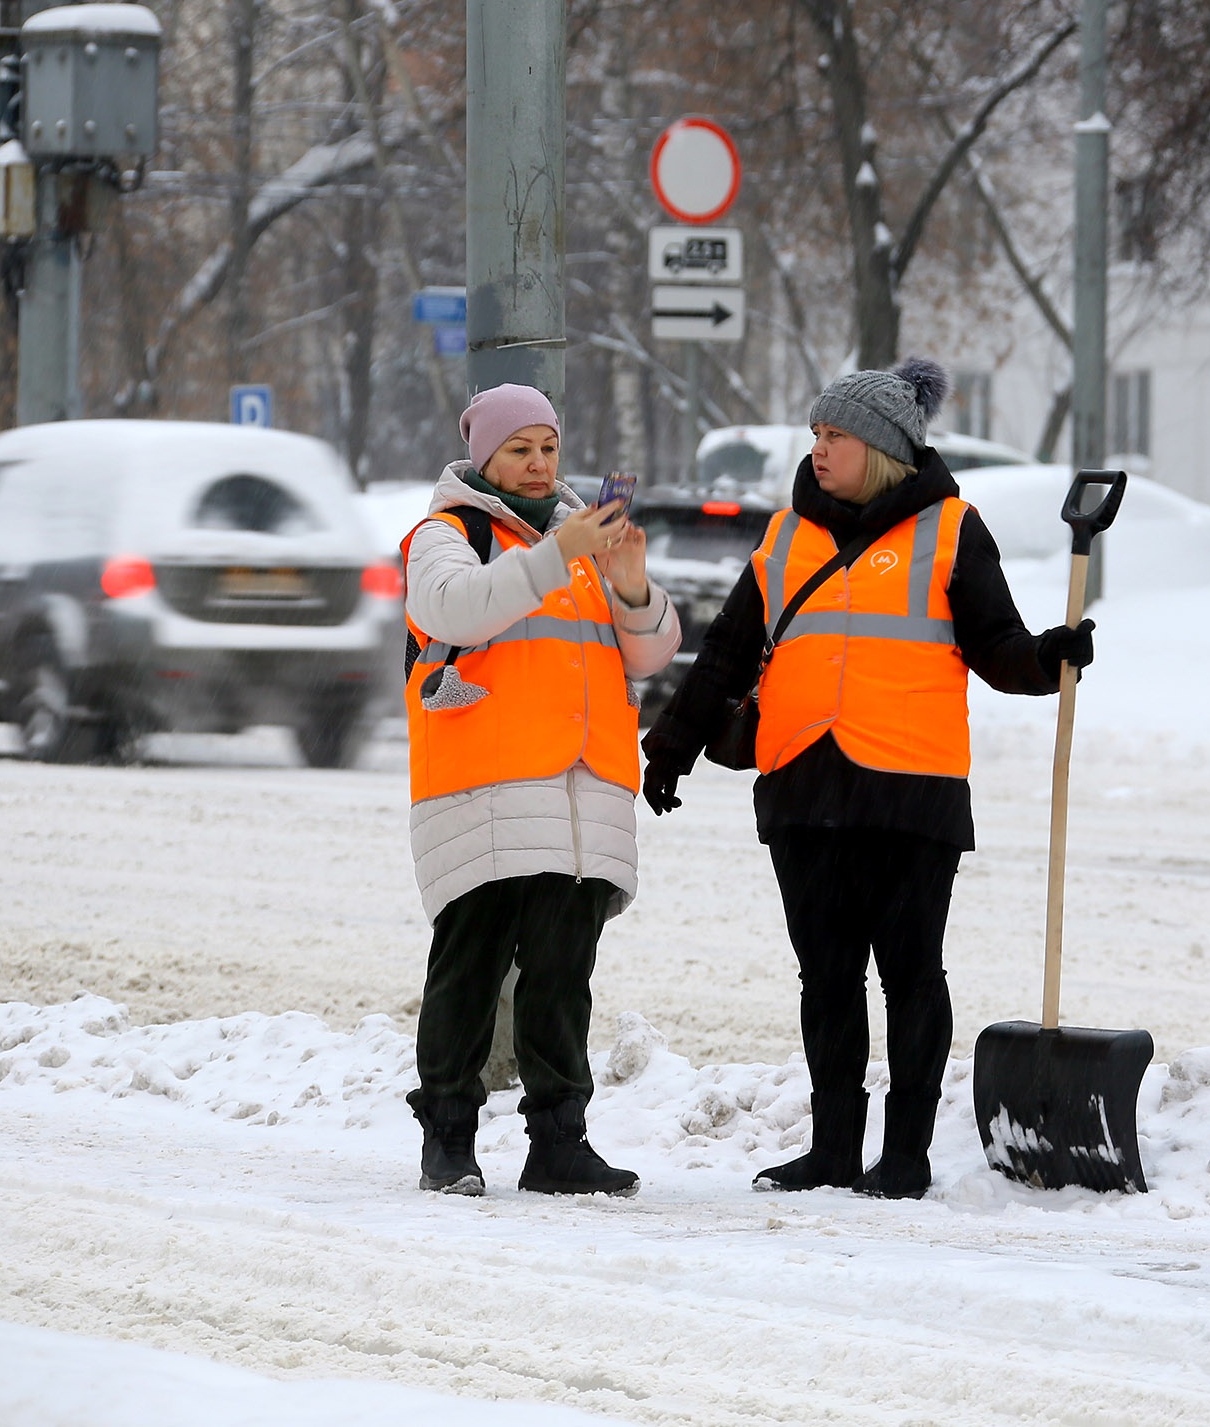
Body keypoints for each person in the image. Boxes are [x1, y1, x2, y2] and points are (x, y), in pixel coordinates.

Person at [639, 358, 1094, 1200]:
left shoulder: (952, 530)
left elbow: (997, 646)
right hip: (803, 784)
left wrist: (1047, 657)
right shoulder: (786, 535)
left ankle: (907, 1155)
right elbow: (728, 651)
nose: (818, 448)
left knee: (912, 975)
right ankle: (834, 1148)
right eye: (816, 433)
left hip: (910, 791)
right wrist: (671, 745)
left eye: (836, 435)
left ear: (881, 448)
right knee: (826, 977)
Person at [401, 384, 680, 1197]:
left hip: (579, 794)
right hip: (482, 789)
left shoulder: (581, 538)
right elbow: (456, 609)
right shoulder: (446, 533)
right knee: (469, 969)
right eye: (519, 449)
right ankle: (448, 1137)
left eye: (548, 448)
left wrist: (632, 583)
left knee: (562, 978)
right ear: (483, 456)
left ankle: (559, 1141)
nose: (538, 464)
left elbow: (649, 653)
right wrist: (560, 553)